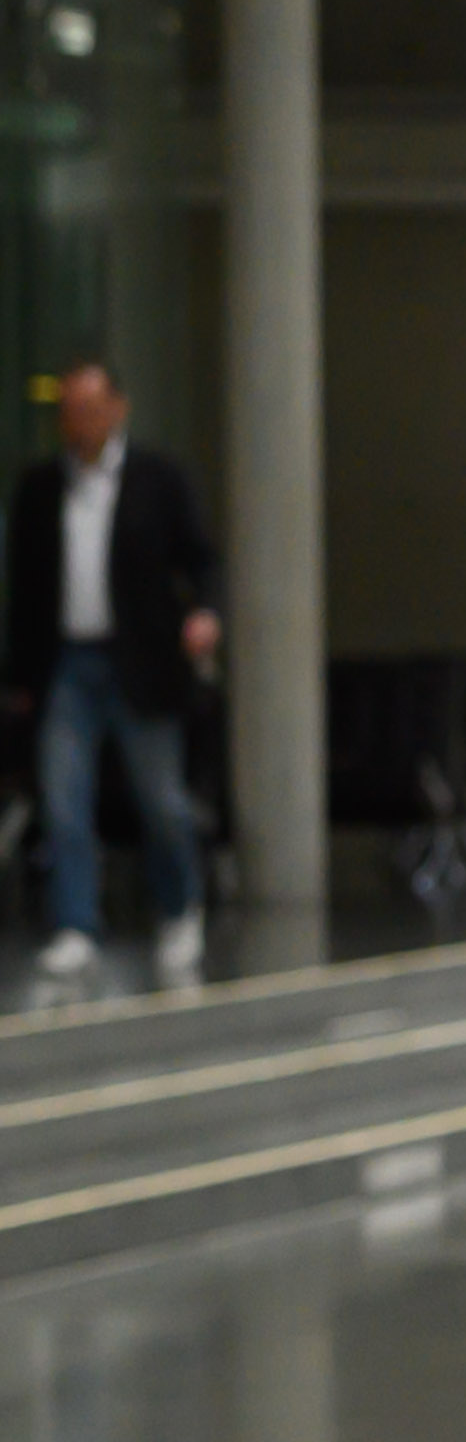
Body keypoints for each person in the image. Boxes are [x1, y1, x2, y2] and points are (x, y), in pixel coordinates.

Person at [6, 356, 222, 981]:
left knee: (161, 799)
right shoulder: (40, 488)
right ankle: (76, 923)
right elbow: (24, 588)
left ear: (118, 409)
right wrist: (20, 677)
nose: (83, 422)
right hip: (67, 662)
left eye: (93, 409)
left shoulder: (159, 479)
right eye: (71, 411)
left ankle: (179, 909)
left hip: (141, 662)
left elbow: (202, 559)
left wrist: (205, 613)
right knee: (64, 800)